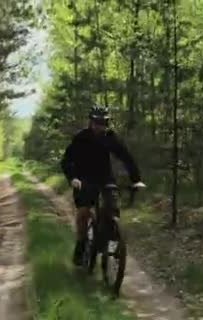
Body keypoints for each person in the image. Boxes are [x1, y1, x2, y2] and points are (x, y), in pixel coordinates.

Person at [60, 104, 146, 266]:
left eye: (103, 123)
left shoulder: (110, 137)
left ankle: (110, 244)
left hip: (105, 178)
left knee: (112, 209)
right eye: (97, 122)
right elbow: (66, 161)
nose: (100, 126)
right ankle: (81, 244)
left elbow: (126, 157)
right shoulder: (81, 138)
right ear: (91, 122)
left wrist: (136, 179)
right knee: (84, 212)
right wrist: (72, 178)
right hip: (83, 179)